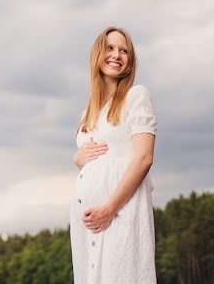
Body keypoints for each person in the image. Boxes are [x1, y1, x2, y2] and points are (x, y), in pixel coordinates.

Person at [70, 26, 157, 284]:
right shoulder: (88, 112)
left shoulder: (136, 96)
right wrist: (78, 160)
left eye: (124, 51)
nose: (117, 55)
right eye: (110, 48)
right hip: (88, 221)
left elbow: (143, 158)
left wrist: (109, 209)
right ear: (98, 54)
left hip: (121, 211)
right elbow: (97, 159)